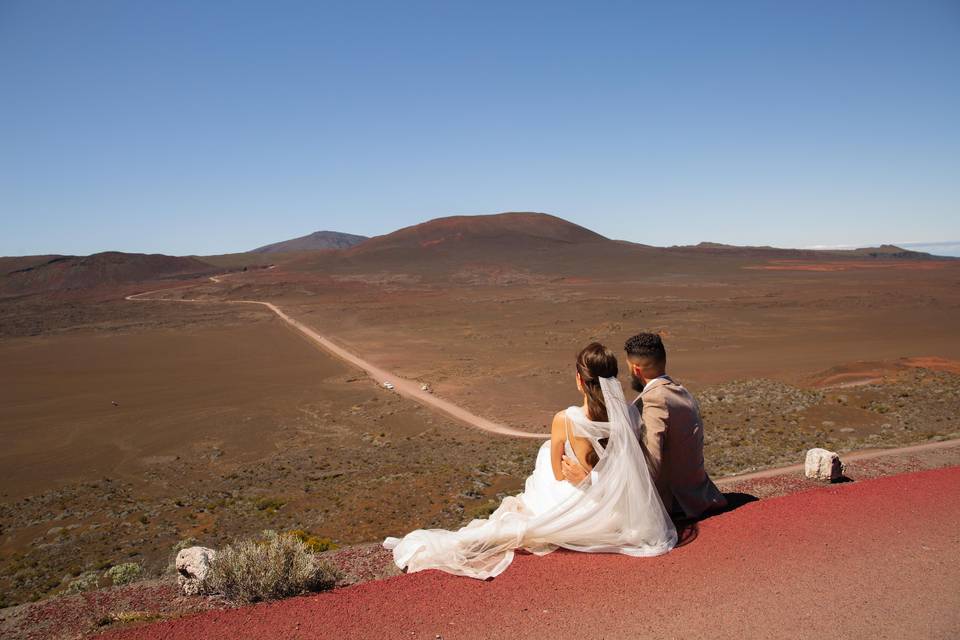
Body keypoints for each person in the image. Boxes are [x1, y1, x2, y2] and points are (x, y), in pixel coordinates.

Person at [381, 342, 677, 579]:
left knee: (547, 451)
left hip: (579, 501)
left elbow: (560, 477)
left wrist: (585, 479)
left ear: (579, 379)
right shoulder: (631, 415)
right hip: (617, 509)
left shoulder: (566, 419)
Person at [562, 333, 727, 519]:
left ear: (636, 370)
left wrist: (590, 482)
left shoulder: (653, 401)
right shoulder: (683, 393)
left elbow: (650, 467)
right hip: (701, 495)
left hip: (677, 505)